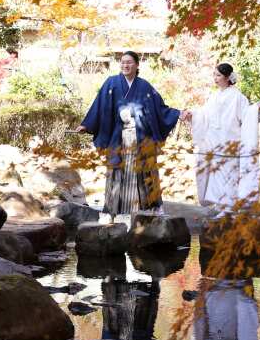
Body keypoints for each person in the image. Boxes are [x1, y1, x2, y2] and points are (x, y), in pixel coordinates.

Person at [77, 50, 185, 221]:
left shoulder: (144, 86)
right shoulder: (111, 83)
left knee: (145, 171)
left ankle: (149, 210)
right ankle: (113, 211)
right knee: (117, 171)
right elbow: (99, 106)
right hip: (118, 137)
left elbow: (160, 109)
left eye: (129, 62)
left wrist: (177, 113)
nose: (125, 65)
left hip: (141, 138)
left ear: (137, 65)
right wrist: (87, 124)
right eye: (122, 62)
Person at [185, 62, 260, 212]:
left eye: (218, 75)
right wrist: (193, 115)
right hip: (214, 139)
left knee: (229, 172)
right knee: (216, 173)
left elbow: (246, 114)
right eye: (214, 75)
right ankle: (220, 206)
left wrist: (256, 109)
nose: (215, 78)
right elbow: (204, 114)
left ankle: (230, 207)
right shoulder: (213, 96)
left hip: (230, 139)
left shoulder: (237, 97)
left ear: (227, 77)